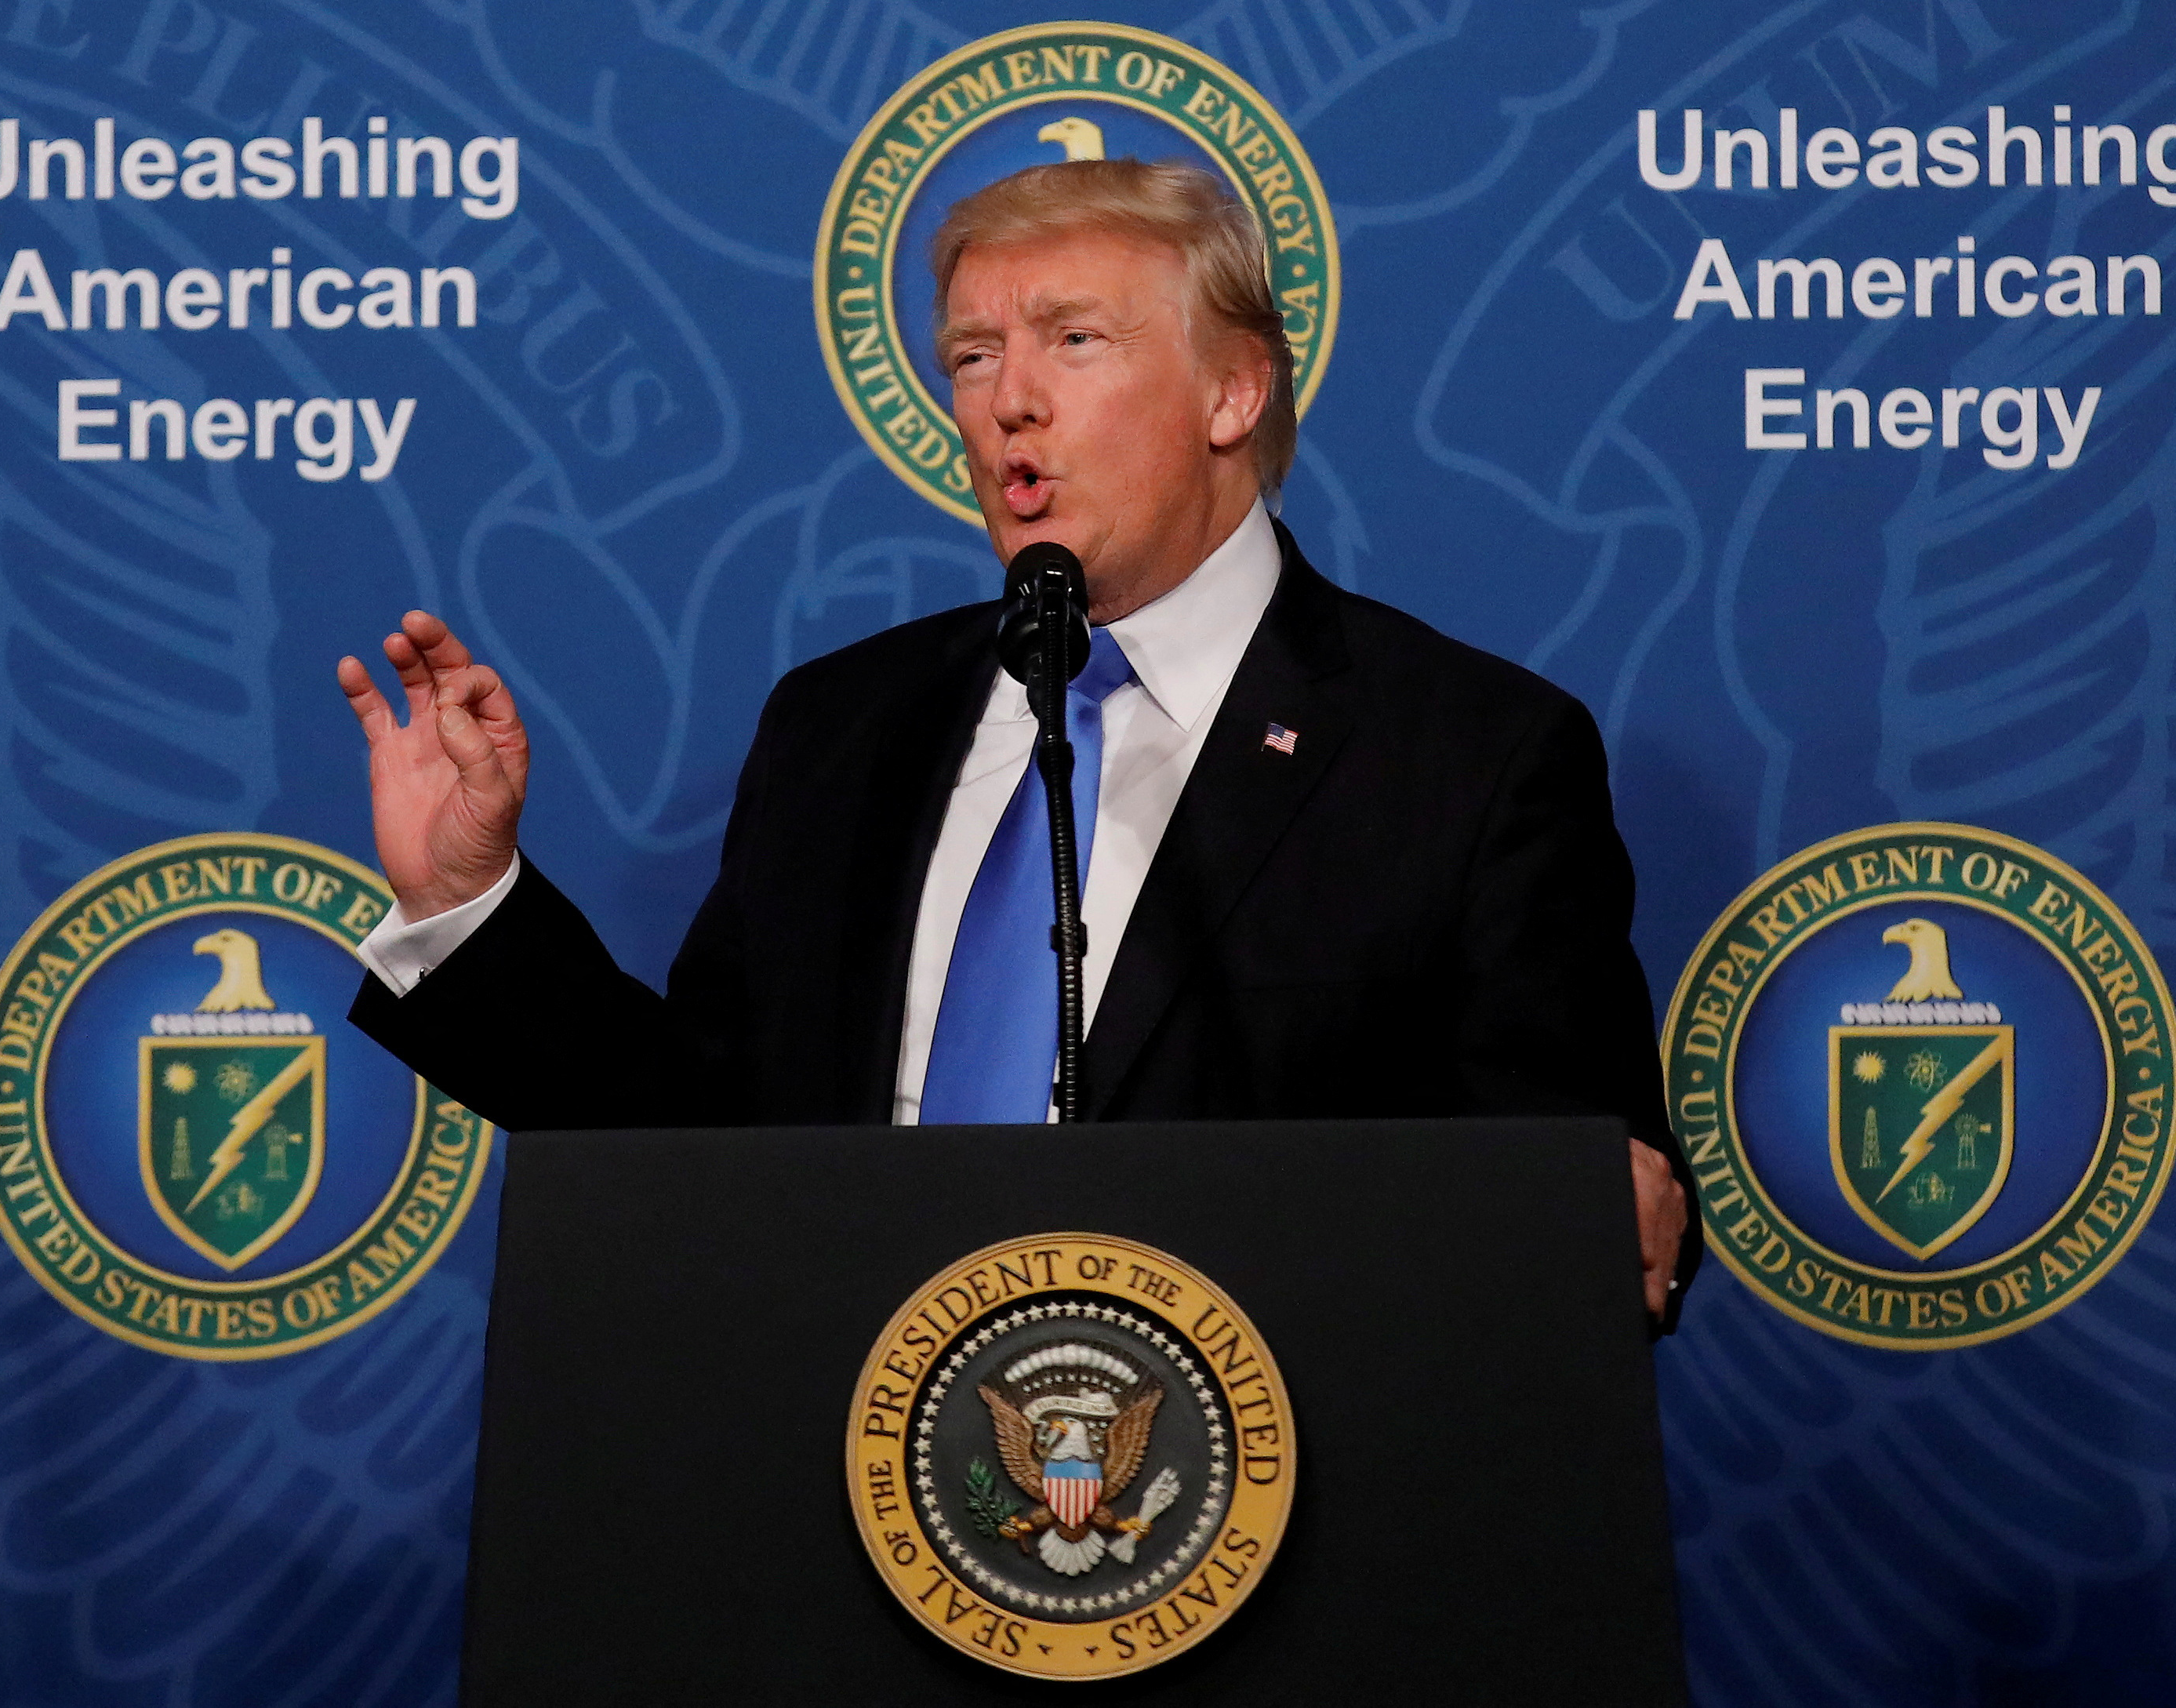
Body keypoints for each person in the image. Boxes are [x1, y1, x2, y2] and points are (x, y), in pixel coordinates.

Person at [337, 160, 1698, 1324]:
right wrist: (468, 903)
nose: (1008, 404)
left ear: (1235, 390)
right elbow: (701, 1153)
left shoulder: (1464, 756)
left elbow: (1579, 1230)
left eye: (1073, 341)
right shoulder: (842, 727)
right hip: (856, 1512)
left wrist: (1572, 1209)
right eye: (974, 356)